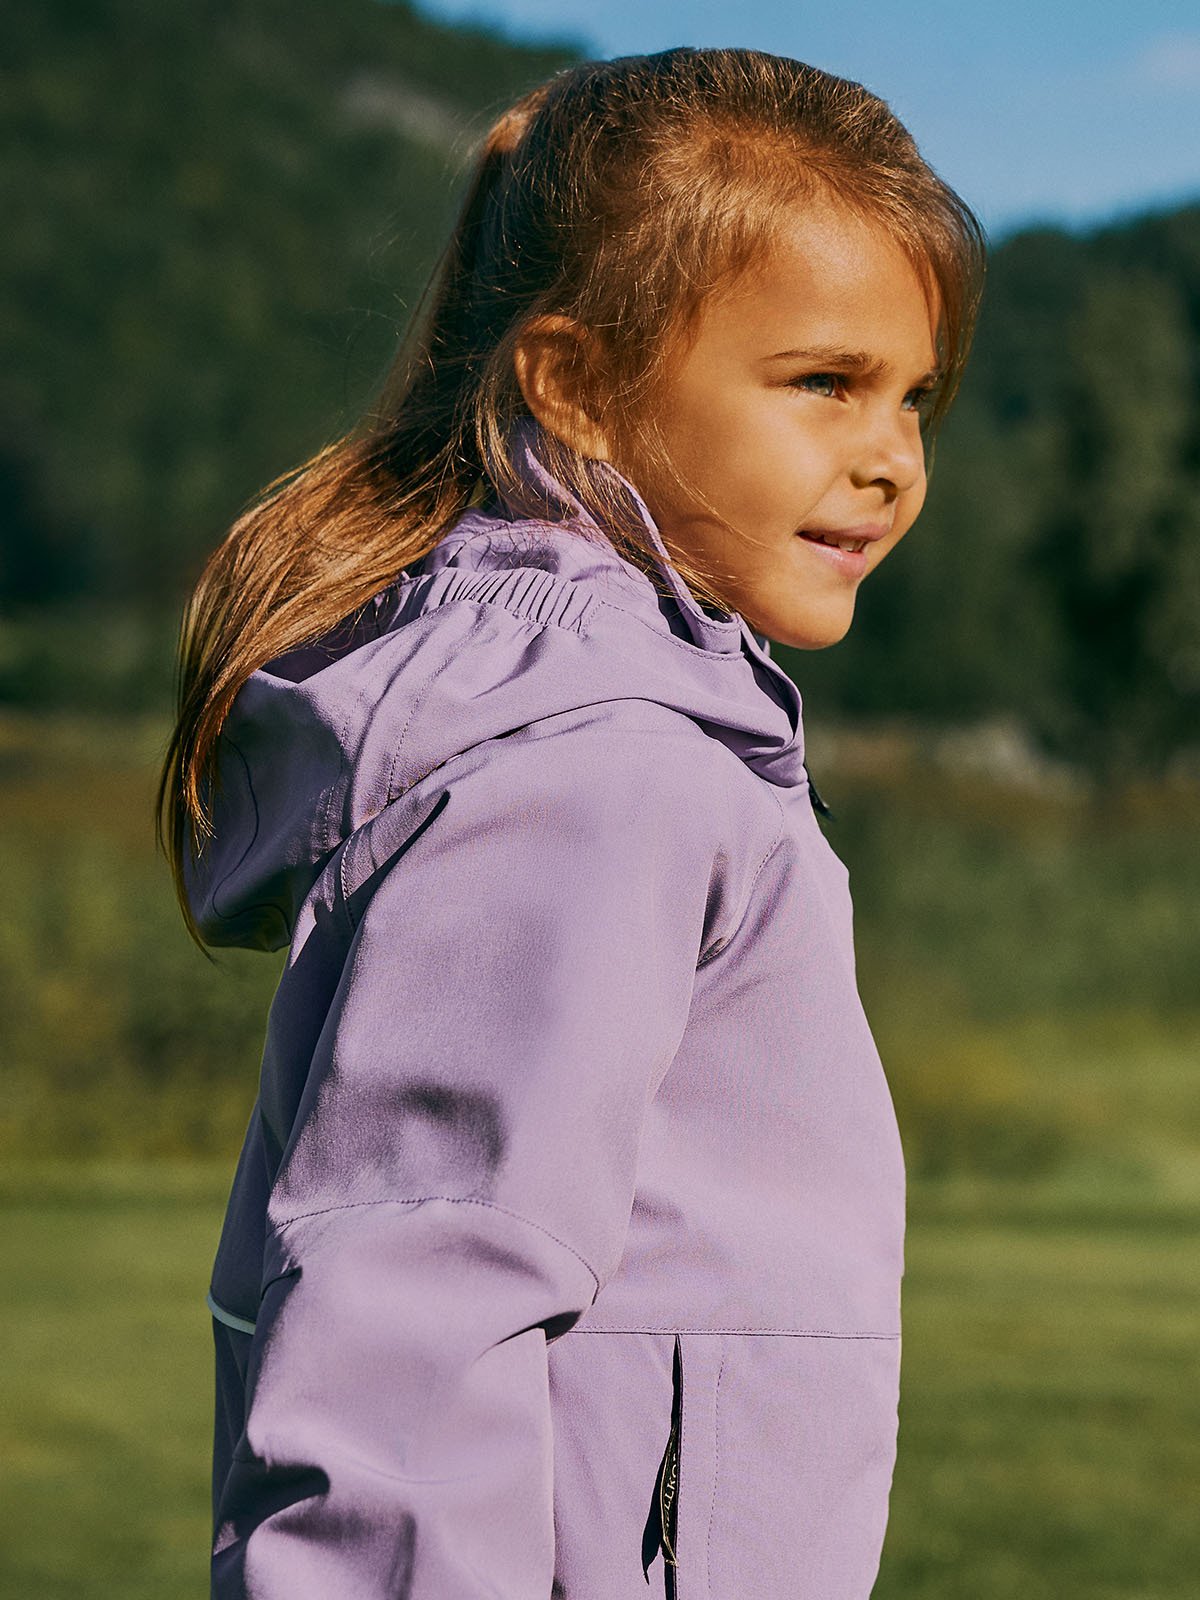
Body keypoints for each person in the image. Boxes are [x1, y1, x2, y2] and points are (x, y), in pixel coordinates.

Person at [159, 45, 985, 1600]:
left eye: (914, 398)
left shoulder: (642, 730)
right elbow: (414, 1293)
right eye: (823, 383)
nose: (889, 458)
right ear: (577, 385)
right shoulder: (589, 764)